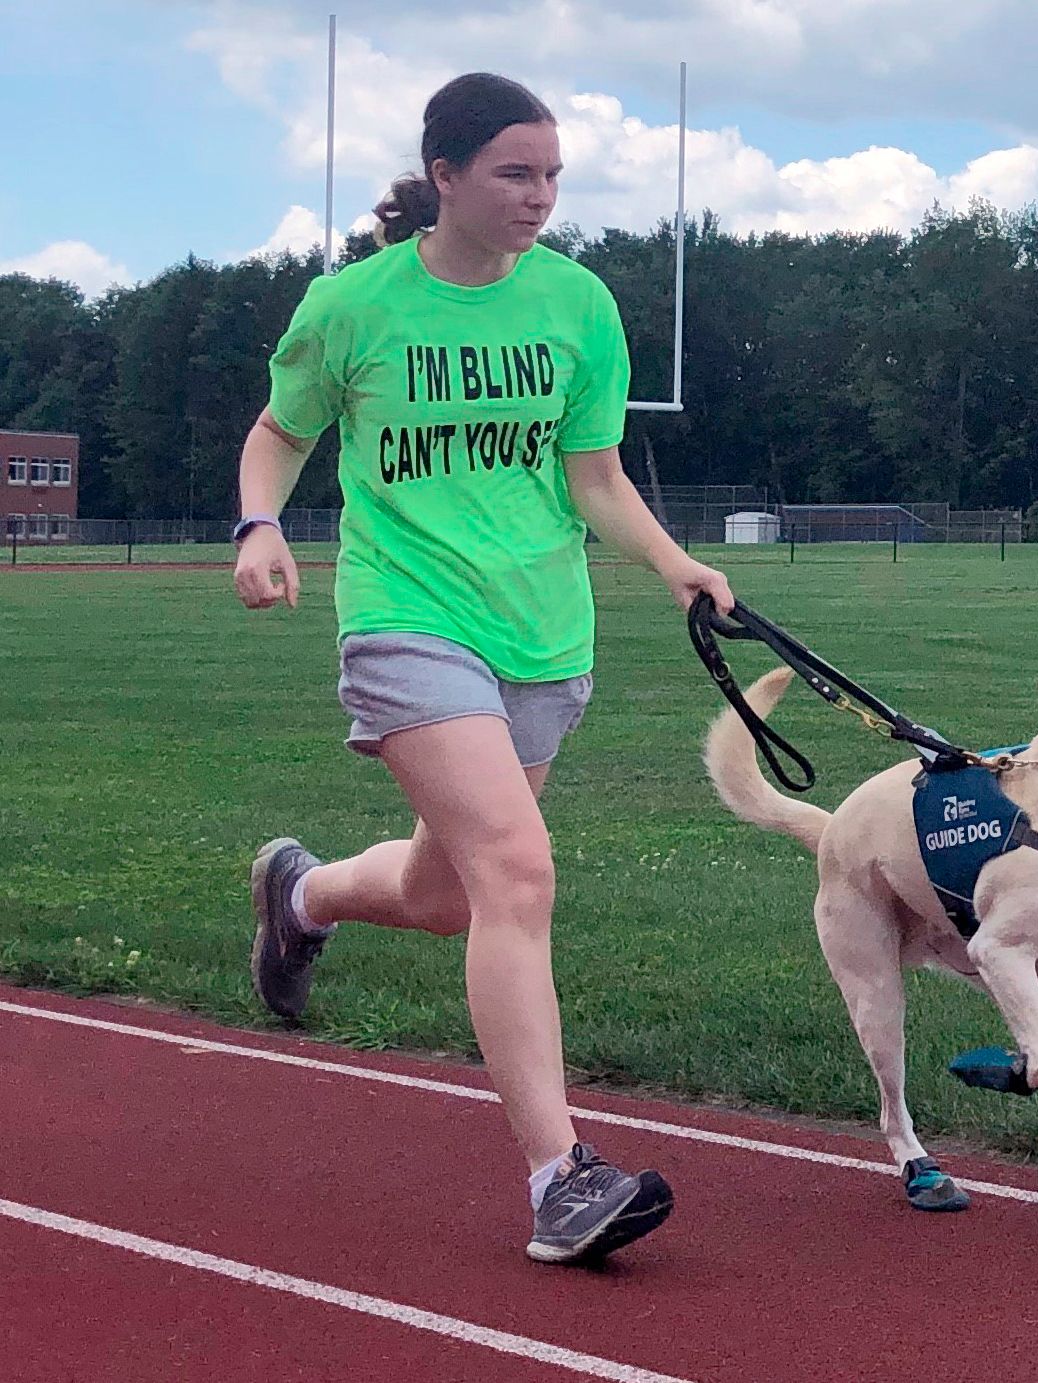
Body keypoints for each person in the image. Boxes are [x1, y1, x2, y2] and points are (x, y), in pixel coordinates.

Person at [231, 72, 734, 1265]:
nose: (540, 197)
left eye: (553, 174)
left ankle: (300, 897)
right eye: (515, 172)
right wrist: (258, 525)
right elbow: (278, 433)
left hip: (543, 636)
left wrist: (676, 567)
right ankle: (561, 1179)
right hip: (407, 616)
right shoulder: (351, 307)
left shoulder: (580, 305)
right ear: (443, 176)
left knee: (448, 891)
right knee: (517, 871)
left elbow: (594, 477)